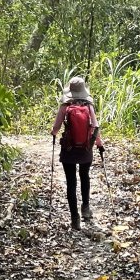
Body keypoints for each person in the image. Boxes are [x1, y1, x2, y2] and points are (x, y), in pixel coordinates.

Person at [51, 76, 104, 230]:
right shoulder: (88, 105)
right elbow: (95, 127)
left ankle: (75, 218)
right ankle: (86, 209)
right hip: (86, 148)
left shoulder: (65, 105)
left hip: (69, 149)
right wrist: (99, 144)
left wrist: (53, 132)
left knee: (71, 182)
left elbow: (56, 127)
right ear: (83, 90)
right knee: (85, 176)